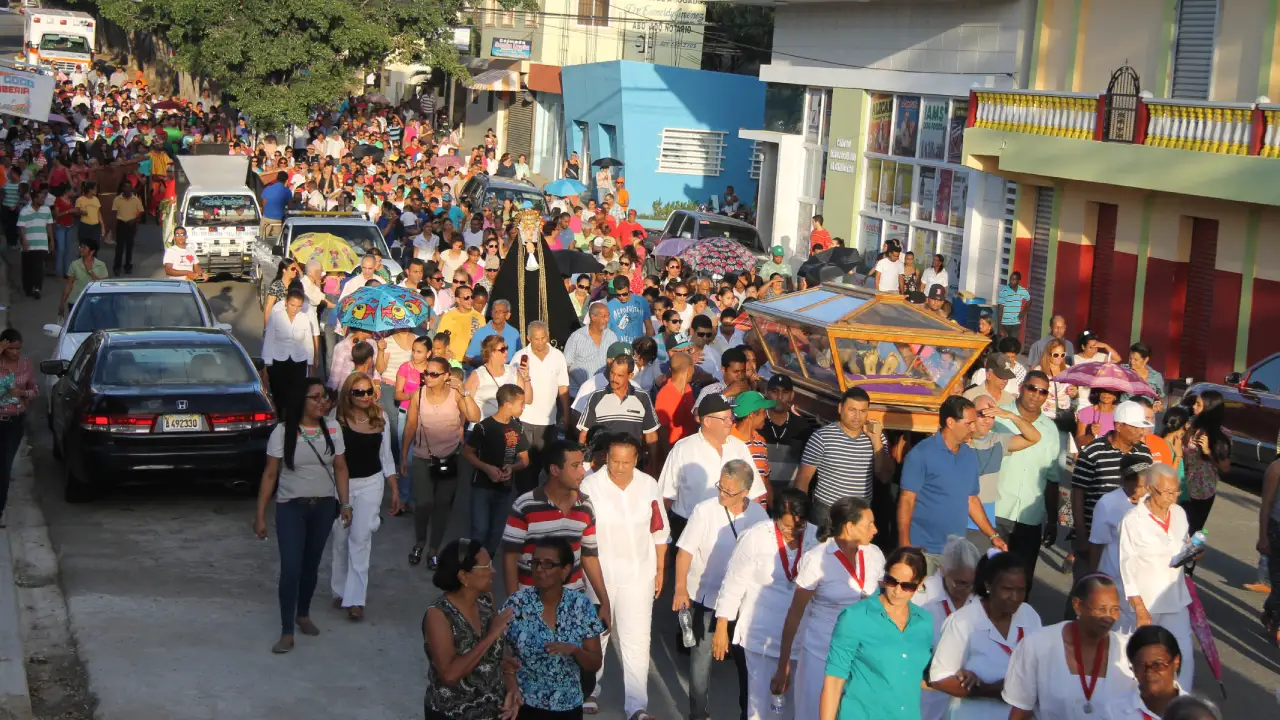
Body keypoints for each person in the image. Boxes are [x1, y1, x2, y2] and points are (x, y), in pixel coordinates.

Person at [253, 378, 353, 654]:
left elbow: (341, 468)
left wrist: (345, 504)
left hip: (323, 507)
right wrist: (260, 515)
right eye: (316, 397)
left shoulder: (332, 428)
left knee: (311, 565)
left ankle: (303, 614)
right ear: (302, 401)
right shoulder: (282, 432)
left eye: (325, 397)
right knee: (291, 568)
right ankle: (287, 631)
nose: (323, 402)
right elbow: (270, 474)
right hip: (291, 508)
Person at [579, 434, 668, 720]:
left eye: (626, 462)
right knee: (596, 635)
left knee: (637, 640)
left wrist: (660, 570)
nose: (618, 468)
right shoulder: (590, 486)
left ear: (636, 460)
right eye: (614, 461)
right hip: (599, 575)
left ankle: (636, 706)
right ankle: (589, 691)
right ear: (606, 457)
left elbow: (659, 531)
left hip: (639, 574)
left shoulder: (648, 485)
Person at [773, 497, 883, 720]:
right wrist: (783, 664)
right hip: (821, 654)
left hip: (861, 656)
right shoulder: (816, 558)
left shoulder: (874, 555)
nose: (875, 530)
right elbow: (795, 614)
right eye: (869, 524)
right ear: (849, 527)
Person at [715, 488, 817, 720]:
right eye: (787, 526)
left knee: (795, 706)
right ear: (776, 518)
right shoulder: (755, 537)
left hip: (801, 639)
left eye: (799, 526)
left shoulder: (816, 537)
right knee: (760, 706)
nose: (793, 532)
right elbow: (733, 583)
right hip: (760, 636)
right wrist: (722, 626)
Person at [674, 461, 764, 720]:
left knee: (746, 663)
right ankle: (698, 713)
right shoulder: (704, 510)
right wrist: (680, 588)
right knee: (701, 659)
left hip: (743, 603)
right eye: (720, 487)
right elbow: (685, 552)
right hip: (707, 596)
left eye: (728, 491)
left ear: (745, 492)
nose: (722, 494)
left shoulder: (759, 516)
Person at [819, 547, 932, 720]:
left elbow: (920, 675)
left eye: (907, 586)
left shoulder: (925, 622)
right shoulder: (855, 617)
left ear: (921, 582)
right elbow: (834, 680)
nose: (897, 591)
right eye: (891, 581)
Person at [898, 396, 1008, 573]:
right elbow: (907, 500)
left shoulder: (969, 456)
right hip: (922, 550)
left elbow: (971, 499)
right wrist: (904, 544)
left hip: (955, 552)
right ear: (950, 422)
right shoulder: (921, 454)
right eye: (968, 423)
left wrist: (993, 535)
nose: (973, 428)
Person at [1003, 575, 1137, 719]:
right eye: (1101, 609)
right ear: (1077, 606)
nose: (1108, 617)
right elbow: (1021, 710)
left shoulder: (1129, 651)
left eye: (1115, 609)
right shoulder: (1038, 645)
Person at [928, 552, 1042, 720]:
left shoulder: (1029, 615)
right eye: (1007, 589)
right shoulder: (963, 621)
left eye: (1021, 590)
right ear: (989, 585)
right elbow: (939, 679)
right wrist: (990, 690)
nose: (1015, 597)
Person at [502, 537, 605, 719]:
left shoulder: (580, 605)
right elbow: (498, 656)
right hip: (524, 705)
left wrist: (575, 651)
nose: (539, 569)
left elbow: (595, 662)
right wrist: (511, 685)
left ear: (565, 570)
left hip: (568, 708)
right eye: (535, 563)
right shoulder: (517, 603)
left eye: (548, 564)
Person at [330, 373, 400, 620]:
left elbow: (386, 456)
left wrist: (394, 487)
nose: (364, 396)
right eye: (358, 392)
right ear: (348, 394)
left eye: (368, 391)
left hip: (371, 483)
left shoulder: (380, 417)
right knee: (341, 539)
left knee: (360, 539)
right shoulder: (336, 418)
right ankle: (339, 590)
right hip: (341, 486)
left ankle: (356, 599)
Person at [423, 538, 518, 720]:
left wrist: (512, 687)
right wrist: (490, 636)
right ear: (463, 576)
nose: (493, 570)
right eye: (486, 566)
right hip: (451, 713)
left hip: (492, 711)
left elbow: (496, 656)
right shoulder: (439, 614)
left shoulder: (486, 599)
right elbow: (449, 675)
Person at [1118, 463, 1194, 689]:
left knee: (1183, 654)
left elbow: (1183, 546)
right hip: (1145, 603)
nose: (1173, 497)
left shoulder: (1179, 514)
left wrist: (1192, 553)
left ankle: (1181, 699)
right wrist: (1139, 607)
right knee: (1137, 654)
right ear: (1150, 489)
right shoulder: (1133, 520)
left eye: (1176, 491)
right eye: (1167, 492)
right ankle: (1130, 698)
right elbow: (1126, 564)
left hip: (1175, 599)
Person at [403, 356, 481, 569]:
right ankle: (420, 542)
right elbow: (410, 425)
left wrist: (464, 392)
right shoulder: (418, 394)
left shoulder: (456, 394)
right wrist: (403, 456)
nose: (427, 377)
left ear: (446, 376)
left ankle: (434, 550)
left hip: (450, 458)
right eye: (426, 373)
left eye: (433, 374)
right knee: (423, 504)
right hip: (422, 457)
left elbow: (475, 416)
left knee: (442, 505)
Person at [659, 394, 769, 537]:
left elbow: (755, 494)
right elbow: (665, 497)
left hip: (732, 529)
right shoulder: (683, 449)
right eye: (725, 418)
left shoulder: (739, 447)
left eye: (731, 417)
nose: (730, 422)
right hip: (689, 528)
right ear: (707, 421)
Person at [993, 371, 1066, 586]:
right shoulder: (998, 416)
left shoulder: (1051, 430)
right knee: (989, 581)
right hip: (995, 512)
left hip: (1030, 519)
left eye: (1043, 392)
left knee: (1021, 584)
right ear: (1021, 387)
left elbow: (1052, 479)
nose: (1036, 395)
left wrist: (1052, 521)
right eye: (1032, 388)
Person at [1071, 401, 1154, 585]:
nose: (1141, 432)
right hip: (1093, 535)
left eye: (1142, 428)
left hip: (1129, 538)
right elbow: (1078, 493)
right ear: (1119, 426)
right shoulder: (1092, 452)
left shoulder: (1144, 454)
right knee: (1088, 586)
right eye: (1136, 427)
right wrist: (1081, 534)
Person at [794, 386, 893, 525]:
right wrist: (799, 516)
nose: (857, 416)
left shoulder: (876, 438)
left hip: (860, 515)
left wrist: (876, 441)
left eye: (862, 411)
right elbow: (803, 479)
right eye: (852, 410)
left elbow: (885, 476)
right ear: (840, 408)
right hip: (827, 513)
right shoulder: (822, 437)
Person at [915, 535, 981, 720]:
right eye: (961, 583)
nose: (968, 589)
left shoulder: (980, 601)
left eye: (973, 583)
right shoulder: (922, 598)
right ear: (943, 571)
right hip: (927, 697)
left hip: (964, 701)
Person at [463, 384, 530, 554]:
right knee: (479, 530)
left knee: (496, 533)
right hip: (482, 486)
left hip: (505, 489)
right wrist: (487, 468)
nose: (524, 407)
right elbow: (468, 452)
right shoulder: (484, 427)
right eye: (521, 403)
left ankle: (487, 563)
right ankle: (473, 564)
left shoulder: (518, 428)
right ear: (507, 404)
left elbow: (524, 460)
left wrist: (512, 468)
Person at [1087, 456, 1151, 632]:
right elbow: (1097, 543)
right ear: (1124, 481)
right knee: (1115, 630)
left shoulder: (1152, 501)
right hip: (1115, 576)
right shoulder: (1107, 503)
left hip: (1144, 577)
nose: (1141, 491)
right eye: (1136, 486)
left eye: (1145, 486)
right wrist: (1092, 578)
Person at [509, 321, 570, 494]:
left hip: (549, 422)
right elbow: (513, 389)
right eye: (536, 339)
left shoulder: (558, 356)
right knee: (526, 469)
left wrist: (566, 414)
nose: (541, 342)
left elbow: (563, 387)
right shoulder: (519, 357)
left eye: (544, 338)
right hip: (525, 420)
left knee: (550, 467)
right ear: (529, 338)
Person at [575, 354, 659, 470]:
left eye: (620, 375)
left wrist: (654, 469)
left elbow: (651, 436)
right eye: (612, 373)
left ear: (630, 375)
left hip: (634, 467)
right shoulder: (596, 397)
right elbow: (583, 436)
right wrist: (587, 466)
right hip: (603, 468)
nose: (614, 378)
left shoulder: (643, 398)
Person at [262, 289, 320, 414]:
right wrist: (266, 363)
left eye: (298, 306)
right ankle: (279, 417)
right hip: (278, 359)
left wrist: (310, 362)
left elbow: (308, 341)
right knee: (278, 392)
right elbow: (269, 340)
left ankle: (293, 419)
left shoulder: (304, 318)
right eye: (292, 305)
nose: (295, 309)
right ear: (286, 303)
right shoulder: (276, 316)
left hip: (298, 361)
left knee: (296, 394)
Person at [1181, 390, 1231, 535]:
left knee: (1193, 531)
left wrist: (1207, 451)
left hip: (1203, 491)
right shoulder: (1190, 427)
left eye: (1198, 404)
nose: (1194, 407)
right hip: (1183, 486)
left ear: (1209, 408)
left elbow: (1225, 467)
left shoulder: (1221, 434)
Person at [0, 330, 35, 522]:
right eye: (11, 349)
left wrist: (22, 393)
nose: (15, 353)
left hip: (14, 421)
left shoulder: (26, 365)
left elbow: (34, 390)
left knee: (5, 466)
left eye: (18, 349)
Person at [465, 334, 533, 421]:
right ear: (491, 353)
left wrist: (526, 377)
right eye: (502, 349)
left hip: (506, 425)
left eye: (507, 348)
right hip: (484, 425)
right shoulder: (477, 375)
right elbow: (466, 404)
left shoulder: (514, 372)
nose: (506, 352)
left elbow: (528, 400)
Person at [564, 302, 617, 397]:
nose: (607, 319)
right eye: (604, 316)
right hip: (580, 394)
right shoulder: (576, 337)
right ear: (593, 317)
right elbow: (566, 365)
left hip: (604, 393)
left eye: (608, 316)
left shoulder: (611, 336)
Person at [17, 186, 52, 298]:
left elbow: (49, 226)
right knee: (28, 268)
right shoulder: (25, 211)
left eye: (43, 198)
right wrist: (24, 240)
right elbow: (21, 228)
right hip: (29, 244)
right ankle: (28, 288)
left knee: (39, 267)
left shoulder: (46, 210)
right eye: (41, 198)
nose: (43, 200)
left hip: (42, 244)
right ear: (34, 199)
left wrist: (51, 240)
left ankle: (37, 288)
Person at [58, 238, 107, 318]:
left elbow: (104, 285)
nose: (81, 249)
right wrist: (62, 303)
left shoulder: (101, 265)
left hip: (94, 302)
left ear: (92, 251)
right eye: (81, 247)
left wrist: (90, 271)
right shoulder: (74, 264)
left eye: (84, 247)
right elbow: (69, 285)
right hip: (75, 301)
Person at [465, 299, 522, 366]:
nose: (496, 314)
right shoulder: (480, 333)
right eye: (494, 311)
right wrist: (487, 361)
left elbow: (519, 355)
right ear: (491, 313)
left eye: (500, 311)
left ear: (508, 315)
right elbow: (469, 358)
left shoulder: (514, 333)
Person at [436, 284, 486, 360]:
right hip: (452, 361)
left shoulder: (479, 317)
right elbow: (440, 340)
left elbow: (483, 341)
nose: (470, 300)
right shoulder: (448, 316)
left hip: (471, 361)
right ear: (457, 299)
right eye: (466, 298)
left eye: (472, 297)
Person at [606, 275, 652, 343]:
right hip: (619, 346)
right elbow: (607, 332)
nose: (622, 297)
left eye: (624, 294)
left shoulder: (641, 301)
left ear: (629, 288)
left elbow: (649, 328)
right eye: (618, 295)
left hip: (638, 346)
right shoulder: (609, 306)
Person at [111, 182, 144, 275]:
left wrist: (135, 220)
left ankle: (128, 266)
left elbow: (141, 211)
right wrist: (113, 228)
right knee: (119, 247)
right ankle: (117, 267)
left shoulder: (136, 199)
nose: (128, 189)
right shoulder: (117, 199)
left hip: (131, 224)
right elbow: (114, 213)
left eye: (129, 187)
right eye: (126, 187)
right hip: (121, 223)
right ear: (122, 188)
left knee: (129, 247)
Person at [1124, 343, 1165, 410]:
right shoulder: (1123, 370)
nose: (1132, 362)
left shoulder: (1156, 376)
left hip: (1146, 412)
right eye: (1130, 358)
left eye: (1136, 359)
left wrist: (1158, 404)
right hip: (1125, 411)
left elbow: (1160, 397)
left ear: (1146, 359)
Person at [262, 259, 302, 325]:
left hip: (295, 322)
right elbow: (269, 307)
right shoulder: (276, 286)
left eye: (296, 269)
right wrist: (266, 326)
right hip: (279, 322)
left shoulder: (297, 285)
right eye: (293, 269)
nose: (295, 271)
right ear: (284, 270)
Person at [997, 272, 1031, 338]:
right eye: (1010, 279)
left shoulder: (1022, 291)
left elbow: (1029, 300)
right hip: (1005, 324)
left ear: (1018, 281)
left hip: (1016, 324)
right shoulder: (1004, 291)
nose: (1011, 281)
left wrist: (1024, 312)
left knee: (1014, 343)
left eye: (1014, 279)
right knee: (1004, 343)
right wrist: (1000, 327)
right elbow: (1000, 309)